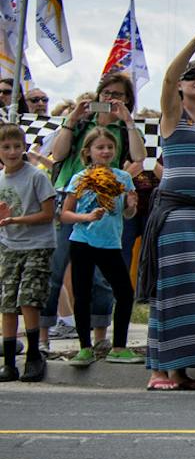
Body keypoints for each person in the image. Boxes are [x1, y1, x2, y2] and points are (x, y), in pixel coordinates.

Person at [141, 26, 195, 390]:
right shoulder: (173, 115)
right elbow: (166, 78)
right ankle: (158, 370)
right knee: (172, 288)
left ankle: (181, 370)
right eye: (191, 76)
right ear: (181, 85)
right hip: (175, 214)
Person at [40, 72, 142, 350]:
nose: (111, 99)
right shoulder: (82, 122)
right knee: (55, 266)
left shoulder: (124, 129)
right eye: (107, 93)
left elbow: (139, 158)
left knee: (102, 276)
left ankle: (99, 336)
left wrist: (128, 121)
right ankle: (43, 336)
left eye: (118, 95)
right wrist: (72, 119)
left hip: (105, 202)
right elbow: (58, 155)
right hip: (69, 193)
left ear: (128, 99)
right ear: (97, 95)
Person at [55, 125, 138, 366]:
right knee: (82, 294)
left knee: (124, 292)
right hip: (82, 241)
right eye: (100, 147)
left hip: (110, 242)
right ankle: (84, 348)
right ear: (88, 151)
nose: (105, 152)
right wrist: (86, 217)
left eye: (110, 147)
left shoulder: (123, 178)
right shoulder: (79, 178)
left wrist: (130, 204)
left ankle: (119, 346)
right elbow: (66, 214)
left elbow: (128, 214)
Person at [0, 123, 57, 383]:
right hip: (10, 246)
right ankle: (9, 362)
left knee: (28, 297)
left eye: (17, 146)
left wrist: (16, 220)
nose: (12, 152)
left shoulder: (36, 176)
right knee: (7, 302)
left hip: (37, 244)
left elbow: (48, 215)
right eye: (6, 147)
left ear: (25, 147)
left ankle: (34, 355)